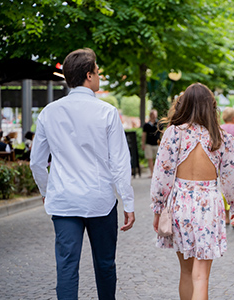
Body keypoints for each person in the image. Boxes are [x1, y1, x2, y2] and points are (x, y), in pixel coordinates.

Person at [30, 48, 135, 300]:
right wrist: (128, 202)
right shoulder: (107, 112)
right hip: (100, 200)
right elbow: (120, 162)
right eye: (98, 72)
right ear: (89, 75)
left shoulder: (49, 112)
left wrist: (46, 191)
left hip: (64, 200)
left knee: (66, 267)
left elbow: (36, 162)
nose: (99, 76)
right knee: (105, 264)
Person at [151, 83, 234, 300]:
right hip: (208, 206)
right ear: (210, 107)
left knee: (185, 272)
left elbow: (161, 176)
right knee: (201, 276)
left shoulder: (173, 134)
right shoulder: (221, 138)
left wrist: (157, 210)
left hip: (180, 204)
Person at [142, 109, 161, 178]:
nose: (154, 116)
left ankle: (157, 173)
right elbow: (144, 135)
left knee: (157, 159)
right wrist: (143, 144)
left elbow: (162, 133)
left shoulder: (159, 124)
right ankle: (152, 173)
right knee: (150, 159)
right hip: (149, 144)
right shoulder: (146, 125)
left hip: (157, 144)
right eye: (153, 115)